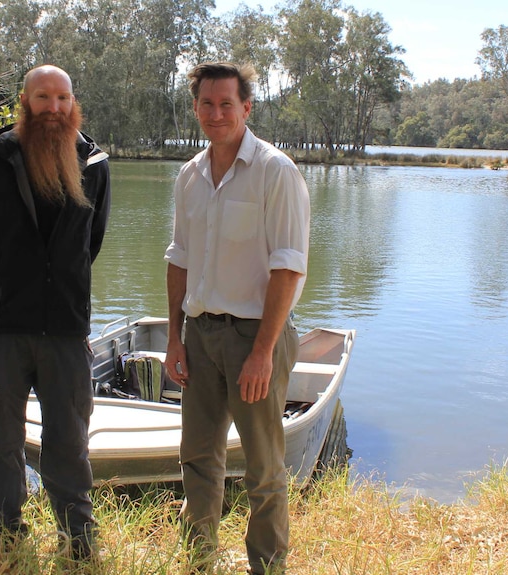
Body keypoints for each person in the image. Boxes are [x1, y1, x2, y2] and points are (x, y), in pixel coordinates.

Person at [0, 64, 111, 561]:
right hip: (5, 329)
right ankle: (6, 532)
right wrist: (0, 295)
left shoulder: (95, 165)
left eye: (62, 98)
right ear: (25, 101)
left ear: (73, 103)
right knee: (2, 435)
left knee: (69, 436)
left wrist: (60, 292)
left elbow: (92, 243)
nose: (53, 108)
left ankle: (78, 538)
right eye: (43, 97)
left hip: (66, 330)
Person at [164, 62, 310, 574]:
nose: (216, 113)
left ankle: (266, 566)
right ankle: (197, 559)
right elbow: (179, 257)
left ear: (247, 108)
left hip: (255, 337)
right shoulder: (189, 175)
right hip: (200, 336)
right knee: (198, 458)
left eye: (228, 104)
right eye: (207, 103)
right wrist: (174, 340)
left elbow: (288, 268)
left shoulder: (276, 172)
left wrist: (264, 352)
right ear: (196, 108)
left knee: (264, 468)